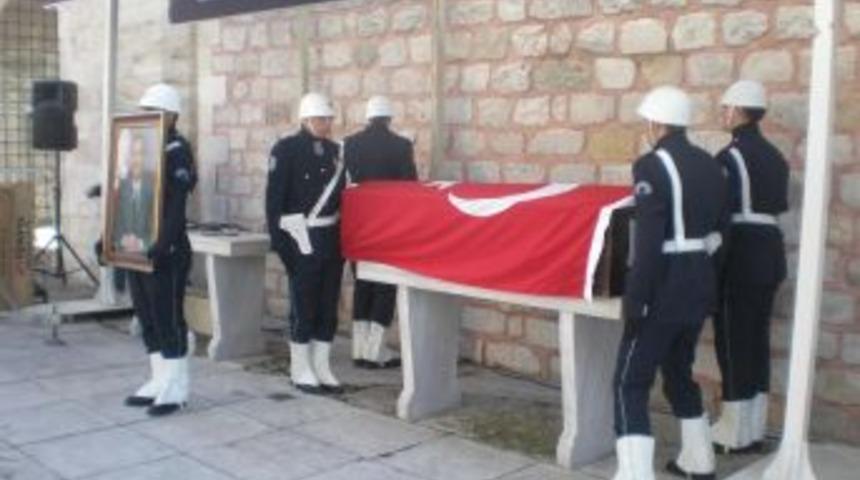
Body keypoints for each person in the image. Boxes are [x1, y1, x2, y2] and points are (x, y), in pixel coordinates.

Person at [611, 86, 726, 480]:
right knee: (678, 371)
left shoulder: (651, 165)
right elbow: (721, 229)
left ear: (656, 123)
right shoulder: (710, 164)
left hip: (663, 285)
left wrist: (636, 298)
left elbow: (648, 241)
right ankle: (699, 460)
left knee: (630, 381)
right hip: (699, 281)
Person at [711, 80, 789, 454]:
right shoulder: (776, 156)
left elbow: (721, 214)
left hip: (741, 252)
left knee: (733, 342)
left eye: (726, 108)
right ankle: (755, 428)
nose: (722, 113)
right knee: (757, 342)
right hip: (770, 251)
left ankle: (733, 432)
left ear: (739, 111)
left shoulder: (731, 156)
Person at [123, 83, 197, 416]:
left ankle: (177, 388)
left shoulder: (177, 149)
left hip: (167, 250)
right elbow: (124, 194)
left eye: (155, 112)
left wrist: (163, 244)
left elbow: (177, 204)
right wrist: (109, 238)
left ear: (171, 116)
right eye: (145, 111)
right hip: (137, 248)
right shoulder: (139, 145)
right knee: (147, 316)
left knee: (168, 318)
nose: (148, 117)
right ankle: (158, 379)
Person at [266, 92, 347, 394]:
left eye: (329, 118)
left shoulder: (336, 151)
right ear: (306, 119)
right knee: (303, 303)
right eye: (321, 118)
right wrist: (282, 245)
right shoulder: (286, 149)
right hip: (301, 239)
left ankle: (321, 365)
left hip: (331, 238)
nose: (326, 124)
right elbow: (274, 201)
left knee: (328, 303)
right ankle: (300, 366)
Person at [344, 96, 417, 369]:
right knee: (385, 287)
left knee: (362, 283)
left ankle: (359, 349)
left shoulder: (349, 144)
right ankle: (376, 351)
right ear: (389, 118)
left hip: (359, 225)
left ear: (368, 116)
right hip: (388, 226)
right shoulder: (401, 146)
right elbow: (410, 189)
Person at [113, 135, 154, 254]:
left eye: (140, 154)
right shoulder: (121, 187)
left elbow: (157, 228)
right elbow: (114, 224)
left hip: (146, 257)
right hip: (122, 255)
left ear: (145, 158)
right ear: (128, 158)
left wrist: (141, 244)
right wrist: (122, 240)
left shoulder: (153, 188)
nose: (136, 159)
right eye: (133, 154)